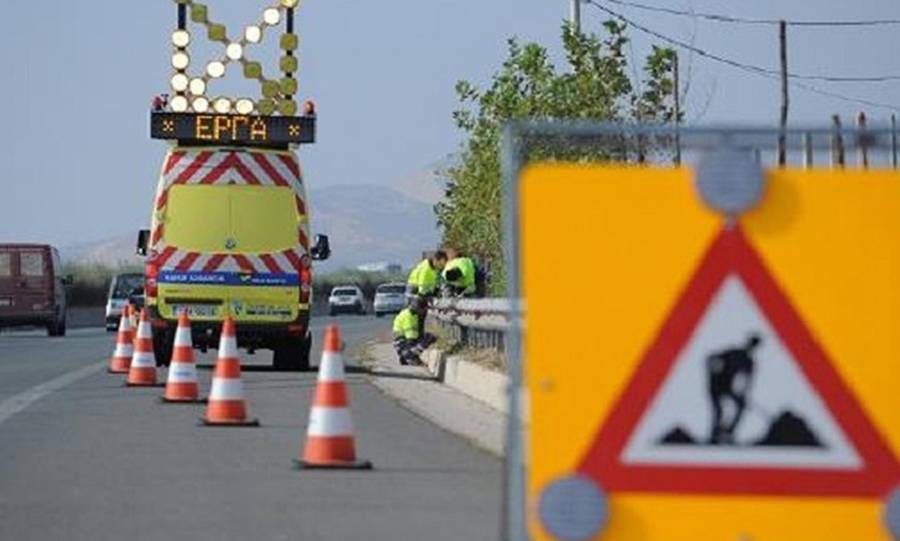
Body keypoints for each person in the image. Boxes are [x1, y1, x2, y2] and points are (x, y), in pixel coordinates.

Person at [706, 333, 761, 445]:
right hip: (716, 386)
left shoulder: (749, 362)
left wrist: (743, 395)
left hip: (728, 389)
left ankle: (728, 433)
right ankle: (714, 436)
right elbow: (710, 358)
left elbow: (748, 381)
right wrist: (715, 372)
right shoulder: (733, 353)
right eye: (751, 344)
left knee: (741, 406)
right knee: (719, 411)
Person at [406, 250, 448, 337]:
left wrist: (435, 291)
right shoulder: (426, 269)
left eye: (443, 265)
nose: (441, 267)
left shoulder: (433, 268)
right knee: (417, 315)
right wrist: (431, 295)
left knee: (422, 315)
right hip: (415, 292)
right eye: (440, 264)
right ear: (435, 260)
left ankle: (419, 335)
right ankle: (414, 336)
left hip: (420, 292)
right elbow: (422, 289)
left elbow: (432, 283)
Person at [392, 297, 434, 366]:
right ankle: (409, 356)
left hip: (399, 341)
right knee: (428, 338)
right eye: (423, 309)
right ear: (418, 308)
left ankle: (407, 356)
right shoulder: (410, 317)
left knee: (423, 338)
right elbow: (411, 338)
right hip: (402, 342)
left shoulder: (408, 313)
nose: (425, 312)